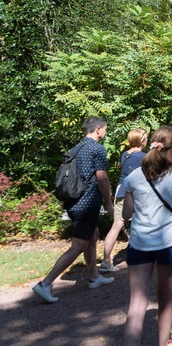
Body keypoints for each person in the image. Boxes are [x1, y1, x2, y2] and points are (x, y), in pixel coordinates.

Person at [121, 126, 172, 346]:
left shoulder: (134, 176)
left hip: (139, 242)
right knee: (165, 299)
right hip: (168, 242)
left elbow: (127, 213)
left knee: (137, 304)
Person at [33, 116, 115, 303]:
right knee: (79, 245)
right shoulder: (97, 149)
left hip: (72, 201)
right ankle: (45, 284)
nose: (106, 132)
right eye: (105, 129)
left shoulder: (76, 148)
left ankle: (94, 277)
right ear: (99, 129)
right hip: (87, 203)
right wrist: (108, 203)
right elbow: (102, 179)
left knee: (93, 235)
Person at [100, 128, 148, 273]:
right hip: (135, 194)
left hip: (121, 192)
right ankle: (141, 256)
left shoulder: (125, 155)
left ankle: (106, 260)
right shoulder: (144, 157)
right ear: (142, 140)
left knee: (116, 226)